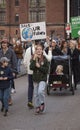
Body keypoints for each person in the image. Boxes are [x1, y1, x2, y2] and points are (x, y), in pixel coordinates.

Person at [30, 43, 49, 114]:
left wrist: (39, 67)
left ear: (42, 50)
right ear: (35, 50)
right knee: (36, 94)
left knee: (40, 91)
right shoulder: (33, 58)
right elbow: (31, 67)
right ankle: (37, 106)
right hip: (35, 79)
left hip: (42, 78)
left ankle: (42, 103)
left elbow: (46, 70)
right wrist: (34, 59)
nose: (39, 51)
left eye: (40, 49)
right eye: (37, 49)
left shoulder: (44, 59)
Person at [0, 38, 17, 104]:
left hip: (9, 71)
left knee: (8, 85)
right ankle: (6, 97)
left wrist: (14, 71)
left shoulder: (11, 51)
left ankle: (8, 98)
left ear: (7, 44)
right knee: (2, 85)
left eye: (5, 43)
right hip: (1, 71)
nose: (3, 44)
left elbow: (14, 61)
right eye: (2, 43)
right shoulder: (0, 52)